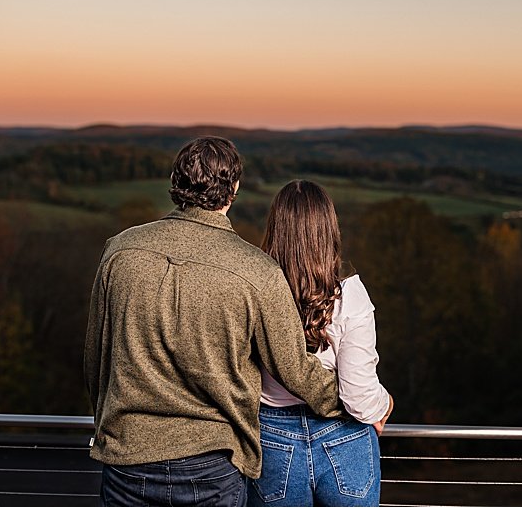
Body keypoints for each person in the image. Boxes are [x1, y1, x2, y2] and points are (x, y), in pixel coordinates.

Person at [85, 136, 343, 506]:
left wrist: (110, 423)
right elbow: (295, 369)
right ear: (234, 188)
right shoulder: (257, 271)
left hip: (126, 456)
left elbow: (96, 356)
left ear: (177, 183)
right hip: (213, 465)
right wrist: (356, 402)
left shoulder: (120, 251)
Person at [251, 180, 393, 506]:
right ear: (329, 230)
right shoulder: (351, 296)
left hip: (272, 439)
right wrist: (385, 404)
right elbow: (358, 397)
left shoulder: (255, 291)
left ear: (276, 229)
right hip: (344, 438)